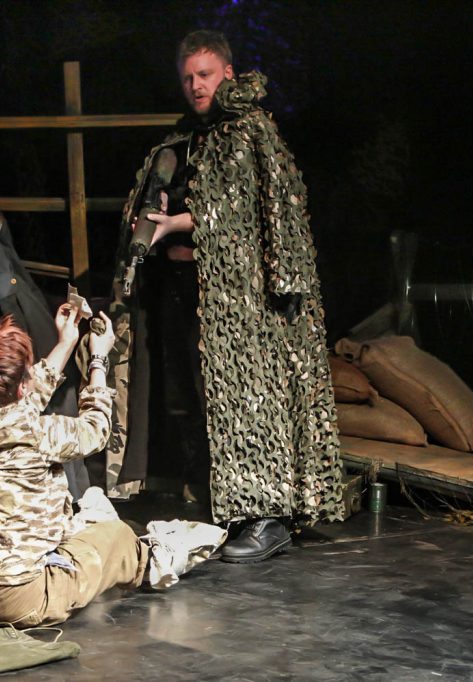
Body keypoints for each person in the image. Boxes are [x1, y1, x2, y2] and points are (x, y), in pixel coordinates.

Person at [112, 30, 344, 563]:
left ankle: (268, 517)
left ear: (228, 74)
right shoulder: (188, 137)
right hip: (188, 291)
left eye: (205, 75)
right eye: (188, 78)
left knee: (248, 401)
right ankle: (225, 507)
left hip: (242, 300)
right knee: (198, 401)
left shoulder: (248, 130)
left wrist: (177, 223)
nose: (196, 86)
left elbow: (245, 212)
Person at [0, 305, 225, 627]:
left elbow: (12, 403)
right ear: (22, 386)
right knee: (117, 537)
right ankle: (155, 559)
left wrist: (67, 341)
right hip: (14, 601)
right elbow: (96, 428)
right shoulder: (40, 434)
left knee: (80, 524)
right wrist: (98, 359)